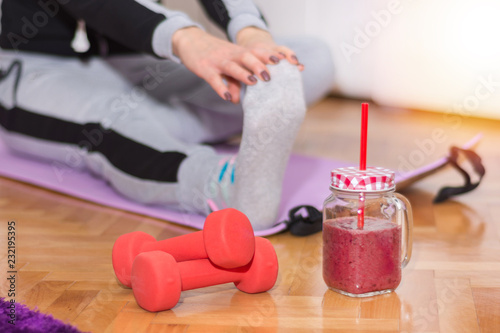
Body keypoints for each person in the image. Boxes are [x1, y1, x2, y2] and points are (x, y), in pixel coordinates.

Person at [0, 0, 334, 230]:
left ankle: (161, 127)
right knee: (108, 124)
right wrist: (184, 38)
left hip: (135, 63)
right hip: (38, 70)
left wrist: (251, 33)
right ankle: (225, 188)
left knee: (307, 58)